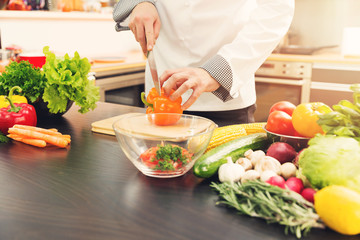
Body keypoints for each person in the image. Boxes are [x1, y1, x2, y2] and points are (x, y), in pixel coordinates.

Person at [113, 0, 294, 126]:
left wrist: (215, 72)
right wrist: (139, 2)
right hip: (159, 101)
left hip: (224, 105)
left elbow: (277, 7)